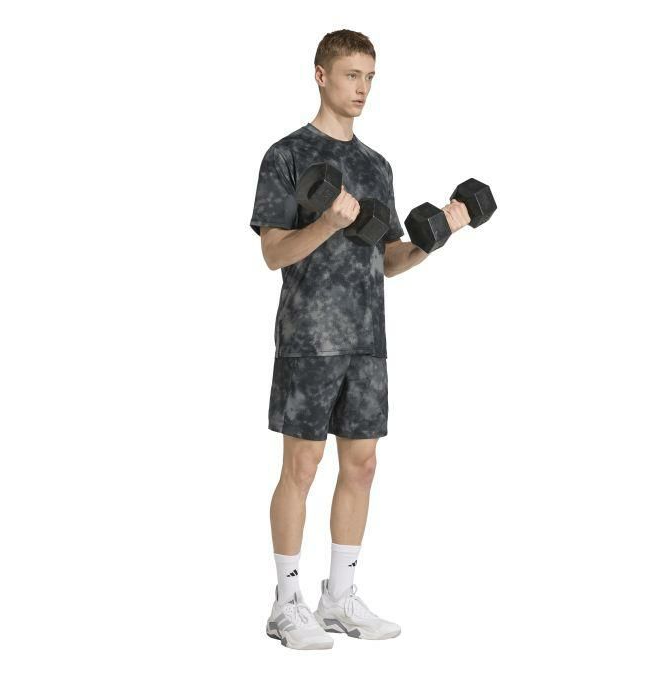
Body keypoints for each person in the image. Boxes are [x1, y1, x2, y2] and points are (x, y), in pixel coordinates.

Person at [249, 29, 471, 651]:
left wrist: (435, 237)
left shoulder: (377, 166)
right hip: (309, 336)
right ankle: (286, 604)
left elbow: (389, 259)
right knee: (302, 466)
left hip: (367, 338)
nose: (363, 88)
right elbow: (273, 253)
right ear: (321, 75)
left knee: (363, 466)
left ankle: (339, 598)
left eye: (370, 77)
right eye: (352, 75)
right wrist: (326, 222)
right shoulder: (286, 154)